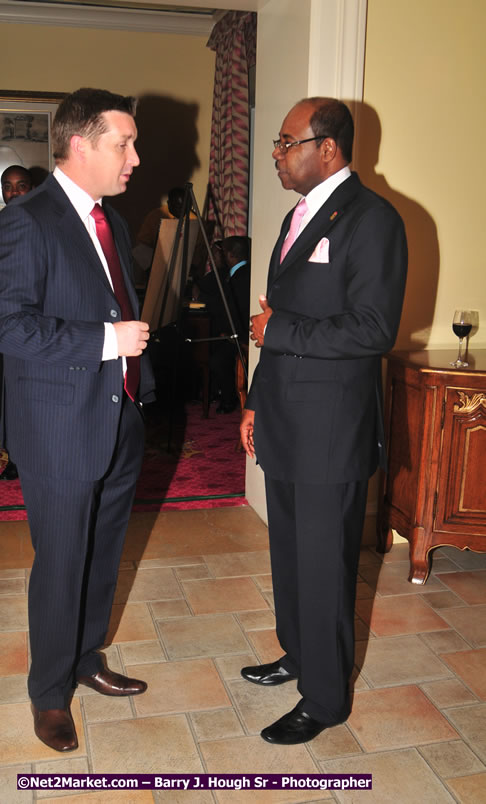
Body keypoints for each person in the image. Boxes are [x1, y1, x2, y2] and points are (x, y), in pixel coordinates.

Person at [0, 88, 154, 753]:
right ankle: (49, 694)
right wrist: (107, 341)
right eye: (124, 143)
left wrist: (138, 391)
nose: (135, 157)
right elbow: (7, 326)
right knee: (61, 563)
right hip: (59, 428)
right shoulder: (27, 221)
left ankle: (85, 657)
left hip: (117, 419)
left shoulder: (106, 218)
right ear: (79, 144)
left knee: (102, 557)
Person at [240, 98, 407, 744]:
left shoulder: (374, 221)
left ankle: (327, 696)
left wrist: (278, 329)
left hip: (330, 429)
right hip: (284, 415)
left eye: (287, 142)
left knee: (325, 564)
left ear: (328, 149)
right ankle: (300, 654)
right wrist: (255, 400)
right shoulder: (297, 215)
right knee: (289, 552)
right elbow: (274, 314)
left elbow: (374, 328)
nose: (277, 154)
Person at [0, 166, 34, 480]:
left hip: (36, 326)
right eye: (8, 186)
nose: (14, 192)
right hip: (2, 326)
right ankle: (13, 456)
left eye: (21, 186)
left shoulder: (45, 224)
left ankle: (31, 455)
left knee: (31, 395)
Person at [197, 235, 251, 412]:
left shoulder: (240, 278)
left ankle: (229, 399)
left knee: (217, 359)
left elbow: (234, 311)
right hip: (233, 332)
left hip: (240, 335)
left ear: (229, 255)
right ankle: (212, 391)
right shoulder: (236, 275)